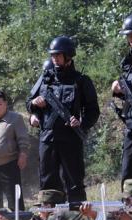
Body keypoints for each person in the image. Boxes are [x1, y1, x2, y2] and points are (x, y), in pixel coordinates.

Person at [26, 36, 100, 202]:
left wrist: (82, 123)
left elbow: (93, 110)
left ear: (68, 56)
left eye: (58, 55)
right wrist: (34, 103)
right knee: (47, 180)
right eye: (52, 55)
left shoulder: (81, 80)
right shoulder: (45, 79)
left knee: (74, 181)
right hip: (48, 138)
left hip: (71, 138)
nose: (54, 59)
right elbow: (28, 103)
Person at [111, 14, 132, 187]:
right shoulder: (128, 61)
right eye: (129, 36)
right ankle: (129, 209)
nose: (131, 40)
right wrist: (118, 90)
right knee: (128, 174)